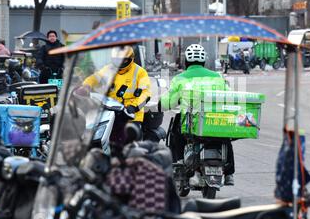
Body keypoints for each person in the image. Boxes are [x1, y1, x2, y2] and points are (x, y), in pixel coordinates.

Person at [161, 44, 235, 186]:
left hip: (191, 122)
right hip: (216, 121)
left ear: (186, 61)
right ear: (204, 61)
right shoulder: (217, 77)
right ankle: (230, 173)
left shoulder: (180, 78)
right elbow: (229, 96)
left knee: (176, 131)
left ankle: (180, 163)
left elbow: (168, 102)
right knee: (225, 137)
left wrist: (159, 105)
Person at [80, 45, 151, 127]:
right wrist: (86, 86)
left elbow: (146, 95)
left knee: (131, 136)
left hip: (132, 115)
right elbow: (95, 77)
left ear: (131, 58)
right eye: (117, 60)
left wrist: (134, 107)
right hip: (111, 113)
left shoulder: (140, 72)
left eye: (123, 60)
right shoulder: (109, 69)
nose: (120, 63)